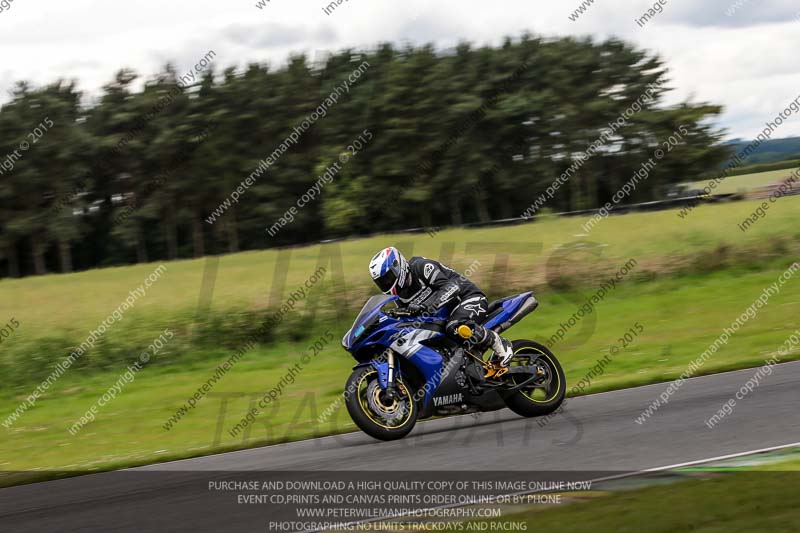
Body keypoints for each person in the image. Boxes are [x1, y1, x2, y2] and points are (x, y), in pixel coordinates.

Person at [368, 246, 514, 367]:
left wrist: (425, 306)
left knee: (455, 326)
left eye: (388, 278)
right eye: (382, 282)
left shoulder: (421, 267)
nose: (386, 283)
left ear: (397, 266)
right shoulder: (400, 295)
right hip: (443, 316)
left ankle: (499, 343)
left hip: (468, 298)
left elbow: (451, 286)